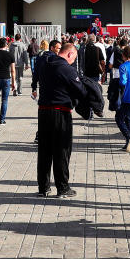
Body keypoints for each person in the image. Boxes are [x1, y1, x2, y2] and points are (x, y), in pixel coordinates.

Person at [34, 41, 89, 197]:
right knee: (62, 150)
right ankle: (62, 187)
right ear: (70, 54)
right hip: (61, 112)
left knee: (44, 150)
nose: (73, 61)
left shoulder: (44, 63)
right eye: (74, 58)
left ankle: (43, 188)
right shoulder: (66, 68)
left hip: (43, 111)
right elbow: (81, 91)